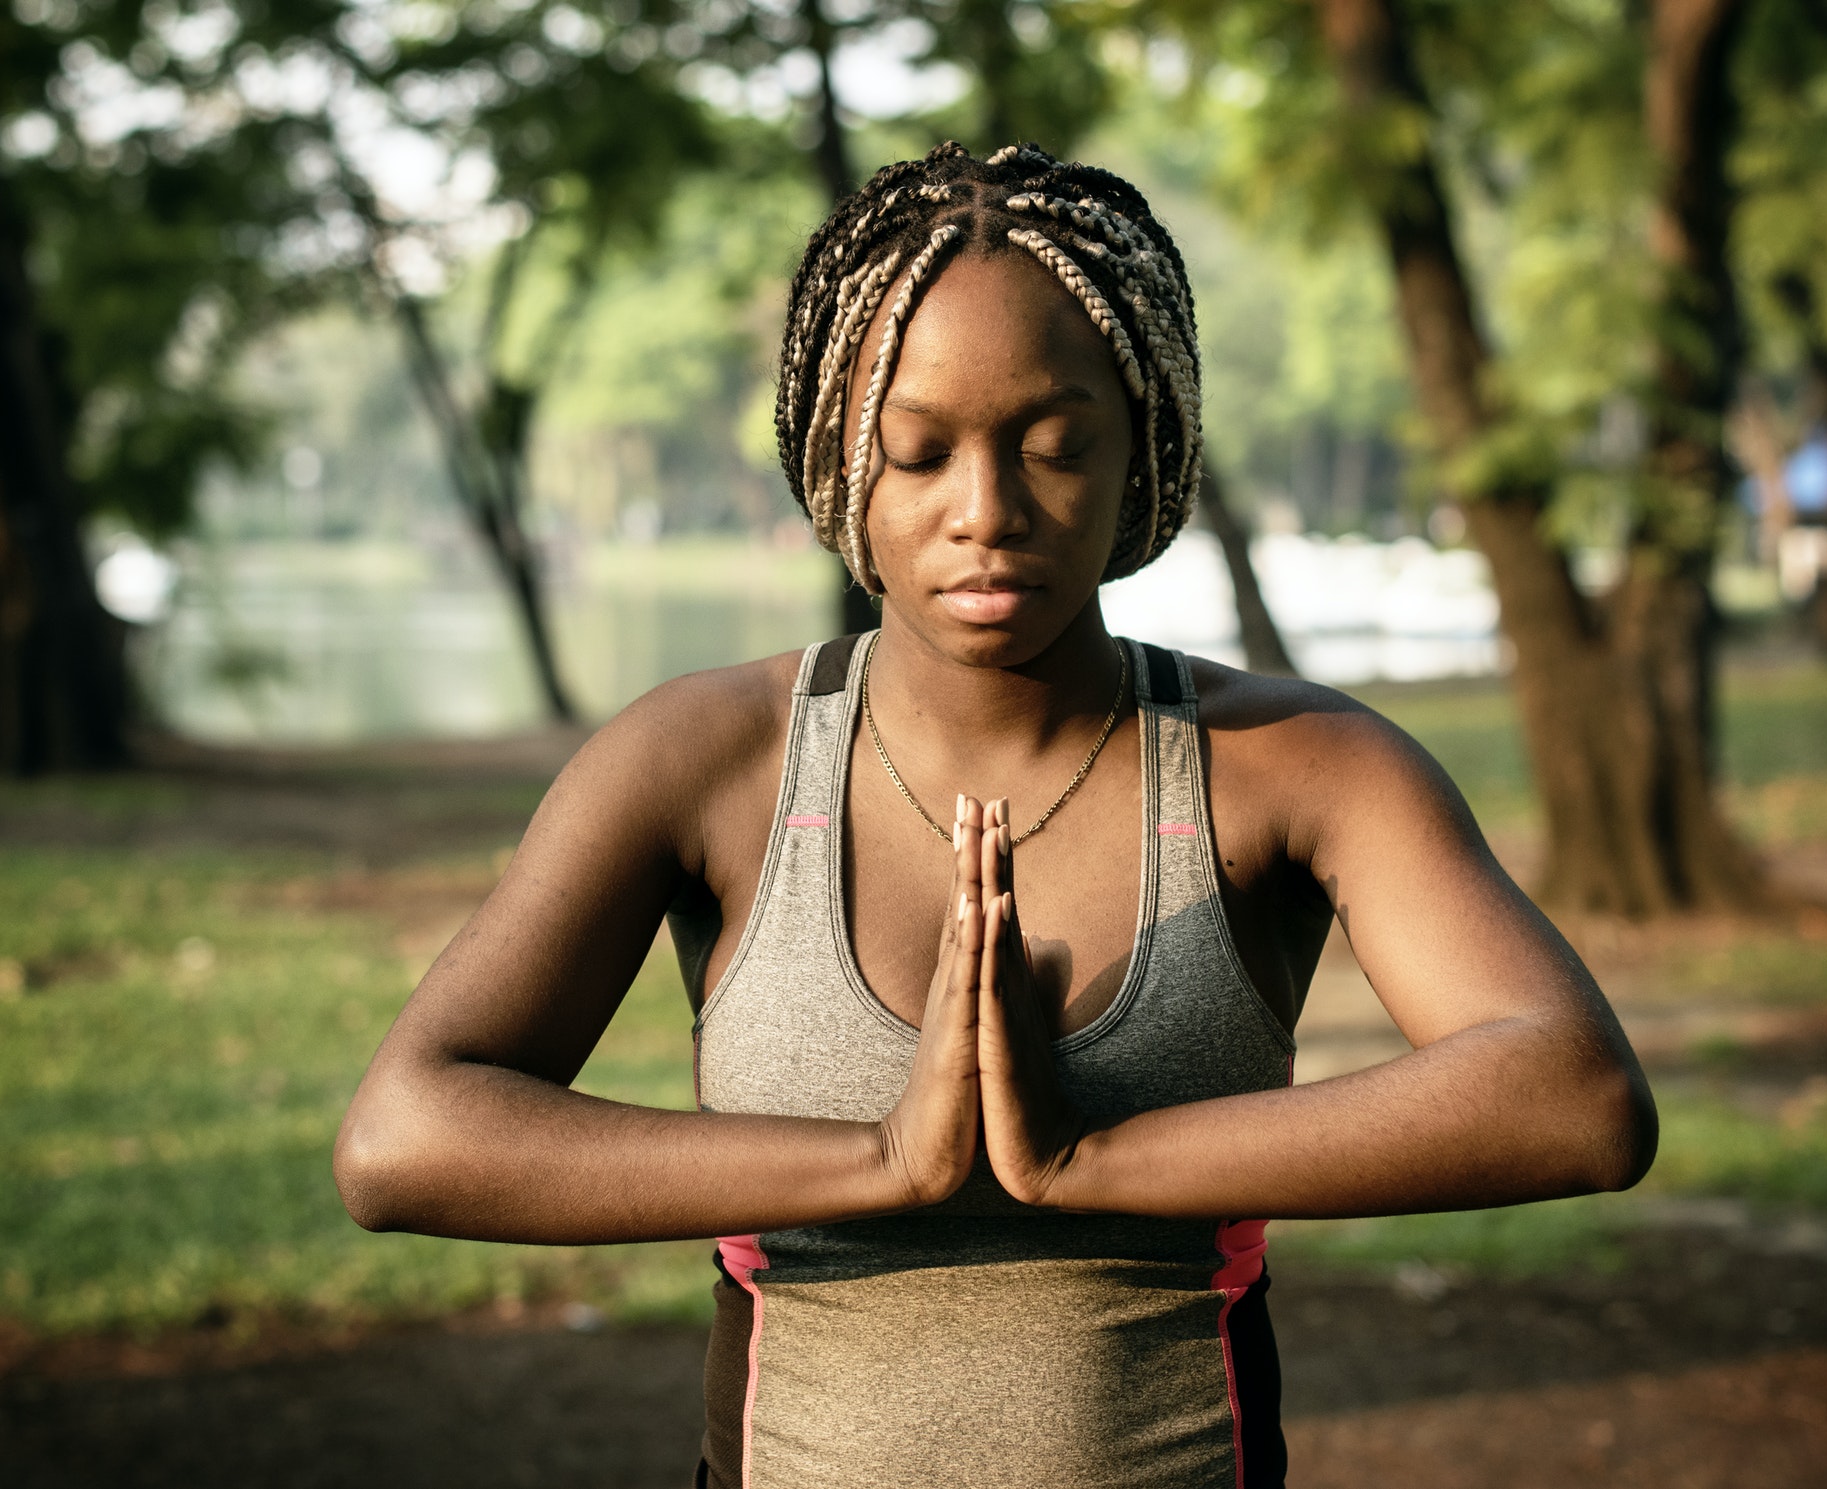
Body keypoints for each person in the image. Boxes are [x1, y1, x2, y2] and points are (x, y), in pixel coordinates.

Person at [334, 141, 1656, 1489]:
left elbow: (1576, 1095)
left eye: (1055, 445)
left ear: (1149, 443)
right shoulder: (708, 763)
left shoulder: (1290, 766)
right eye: (918, 453)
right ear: (836, 459)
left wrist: (1096, 1158)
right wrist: (884, 1161)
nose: (989, 512)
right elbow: (402, 1139)